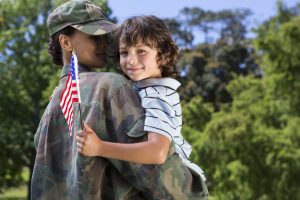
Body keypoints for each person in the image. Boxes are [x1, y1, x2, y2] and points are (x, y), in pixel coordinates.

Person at [31, 0, 208, 199]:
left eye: (105, 36)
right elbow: (160, 176)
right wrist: (195, 190)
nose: (104, 43)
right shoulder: (111, 86)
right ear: (66, 42)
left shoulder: (51, 107)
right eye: (93, 36)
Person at [76, 15, 208, 198]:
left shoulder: (159, 95)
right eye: (124, 53)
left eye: (141, 51)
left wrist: (100, 148)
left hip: (178, 187)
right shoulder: (140, 88)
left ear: (162, 56)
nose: (131, 60)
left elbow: (158, 152)